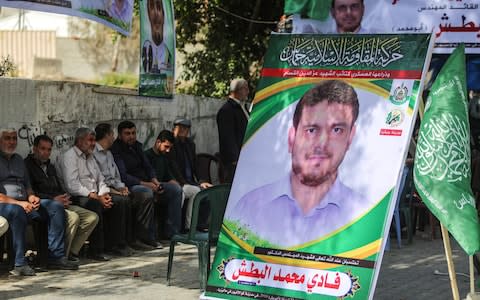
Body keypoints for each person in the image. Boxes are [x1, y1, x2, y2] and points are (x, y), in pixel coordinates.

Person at [228, 80, 371, 247]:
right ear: (291, 138)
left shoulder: (363, 214)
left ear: (350, 138)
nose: (322, 144)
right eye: (311, 130)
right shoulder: (249, 207)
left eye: (337, 130)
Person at [0, 128, 77, 276]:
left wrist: (31, 197)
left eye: (14, 138)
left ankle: (55, 256)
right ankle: (19, 263)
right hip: (6, 205)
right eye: (7, 138)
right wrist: (19, 203)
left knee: (55, 206)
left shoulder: (18, 160)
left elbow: (28, 186)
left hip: (24, 204)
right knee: (17, 212)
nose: (11, 142)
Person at [24, 135, 99, 263]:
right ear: (34, 149)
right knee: (73, 218)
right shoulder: (27, 166)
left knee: (91, 217)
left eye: (49, 150)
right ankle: (59, 257)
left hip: (60, 201)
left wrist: (64, 197)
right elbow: (30, 192)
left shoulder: (50, 166)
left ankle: (70, 252)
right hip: (45, 203)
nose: (46, 153)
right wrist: (54, 199)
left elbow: (58, 186)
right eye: (43, 149)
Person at [58, 128, 128, 260]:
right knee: (94, 204)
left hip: (96, 194)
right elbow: (72, 186)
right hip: (77, 196)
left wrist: (104, 194)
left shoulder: (90, 156)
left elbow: (100, 179)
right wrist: (96, 196)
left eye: (94, 140)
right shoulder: (69, 157)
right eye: (90, 140)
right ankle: (96, 250)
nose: (93, 143)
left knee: (119, 201)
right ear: (79, 141)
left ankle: (114, 245)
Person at [93, 123, 153, 251]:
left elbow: (116, 175)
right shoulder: (94, 154)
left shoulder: (108, 153)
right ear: (108, 136)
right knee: (122, 201)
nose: (113, 138)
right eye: (112, 135)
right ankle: (118, 244)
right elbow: (99, 179)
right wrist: (115, 191)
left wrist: (121, 187)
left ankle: (135, 239)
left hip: (114, 187)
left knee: (132, 196)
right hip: (102, 189)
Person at [110, 121, 161, 247]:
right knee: (146, 193)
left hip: (147, 181)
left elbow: (147, 166)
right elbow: (123, 175)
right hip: (130, 184)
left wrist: (154, 179)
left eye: (133, 133)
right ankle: (141, 238)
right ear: (120, 135)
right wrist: (146, 184)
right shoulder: (115, 150)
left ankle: (171, 233)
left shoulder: (137, 146)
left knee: (174, 190)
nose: (131, 136)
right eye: (127, 134)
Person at [167, 118, 212, 230]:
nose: (183, 131)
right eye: (180, 128)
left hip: (190, 180)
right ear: (174, 129)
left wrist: (202, 181)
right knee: (194, 191)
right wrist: (183, 183)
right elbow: (173, 166)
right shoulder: (171, 144)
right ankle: (187, 227)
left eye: (185, 129)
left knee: (208, 192)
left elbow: (195, 166)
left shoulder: (190, 144)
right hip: (179, 181)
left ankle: (200, 225)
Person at [143, 130, 183, 238]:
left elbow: (169, 177)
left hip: (162, 186)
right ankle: (172, 232)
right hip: (150, 186)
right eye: (166, 146)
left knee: (178, 190)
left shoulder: (164, 157)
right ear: (158, 142)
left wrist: (178, 185)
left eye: (170, 147)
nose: (168, 150)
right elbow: (146, 177)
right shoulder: (147, 155)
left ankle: (174, 231)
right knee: (176, 191)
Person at [217, 78, 250, 183]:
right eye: (245, 88)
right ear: (238, 90)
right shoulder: (227, 110)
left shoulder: (242, 108)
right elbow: (227, 137)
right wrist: (234, 159)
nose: (248, 92)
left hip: (245, 159)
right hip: (234, 163)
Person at [143, 0, 173, 73]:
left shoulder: (169, 53)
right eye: (152, 8)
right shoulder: (144, 48)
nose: (156, 13)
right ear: (148, 15)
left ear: (163, 16)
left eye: (159, 8)